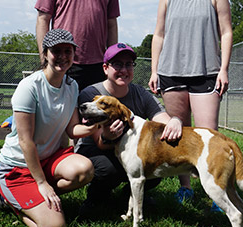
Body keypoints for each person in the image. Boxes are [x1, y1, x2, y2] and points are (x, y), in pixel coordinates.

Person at [0, 29, 97, 227]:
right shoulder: (29, 87)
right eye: (57, 51)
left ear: (74, 54)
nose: (63, 56)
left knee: (84, 170)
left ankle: (37, 199)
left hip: (48, 158)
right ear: (45, 54)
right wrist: (42, 183)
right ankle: (6, 199)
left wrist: (97, 126)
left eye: (68, 51)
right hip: (18, 166)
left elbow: (72, 129)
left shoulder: (72, 86)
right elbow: (25, 142)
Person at [149, 0, 233, 203]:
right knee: (179, 135)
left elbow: (226, 31)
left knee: (209, 138)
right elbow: (159, 34)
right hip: (171, 73)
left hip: (206, 72)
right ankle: (185, 187)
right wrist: (154, 71)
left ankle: (219, 193)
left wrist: (224, 69)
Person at [75, 43, 183, 212]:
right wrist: (108, 136)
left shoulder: (140, 93)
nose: (124, 70)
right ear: (105, 68)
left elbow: (163, 120)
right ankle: (96, 197)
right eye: (117, 64)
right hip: (95, 151)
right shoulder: (91, 95)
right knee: (108, 169)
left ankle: (130, 194)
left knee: (156, 161)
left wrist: (175, 121)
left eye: (128, 64)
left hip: (128, 150)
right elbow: (100, 143)